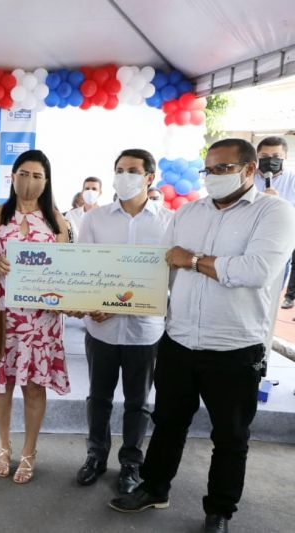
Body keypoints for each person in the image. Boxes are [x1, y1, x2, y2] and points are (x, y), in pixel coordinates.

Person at [109, 139, 295, 533]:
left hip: (235, 346)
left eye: (223, 169)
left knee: (230, 435)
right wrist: (108, 298)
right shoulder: (189, 213)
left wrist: (192, 261)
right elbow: (160, 268)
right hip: (178, 340)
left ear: (249, 170)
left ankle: (220, 510)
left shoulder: (275, 213)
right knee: (168, 422)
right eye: (208, 170)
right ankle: (155, 488)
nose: (213, 177)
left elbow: (255, 271)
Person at [73, 149, 172, 495]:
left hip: (145, 331)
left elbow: (168, 278)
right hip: (101, 328)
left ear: (149, 178)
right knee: (98, 397)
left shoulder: (169, 222)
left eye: (132, 170)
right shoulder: (96, 219)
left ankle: (131, 462)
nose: (124, 176)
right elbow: (83, 269)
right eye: (119, 170)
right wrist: (89, 304)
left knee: (138, 402)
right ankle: (95, 456)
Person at [0, 149, 70, 484]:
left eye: (37, 176)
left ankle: (29, 451)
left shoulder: (57, 219)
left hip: (41, 320)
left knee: (33, 387)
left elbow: (67, 270)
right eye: (24, 174)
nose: (30, 181)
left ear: (46, 181)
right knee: (2, 385)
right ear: (12, 177)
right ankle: (3, 446)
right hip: (3, 315)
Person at [252, 137, 295, 309]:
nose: (270, 160)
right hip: (249, 239)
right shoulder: (247, 176)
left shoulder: (292, 179)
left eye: (276, 155)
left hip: (279, 244)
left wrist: (278, 205)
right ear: (257, 156)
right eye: (264, 155)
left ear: (285, 156)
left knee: (269, 295)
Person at [65, 176, 102, 240]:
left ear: (100, 193)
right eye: (87, 189)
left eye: (94, 189)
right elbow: (66, 240)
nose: (90, 192)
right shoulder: (71, 215)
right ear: (82, 192)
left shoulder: (106, 216)